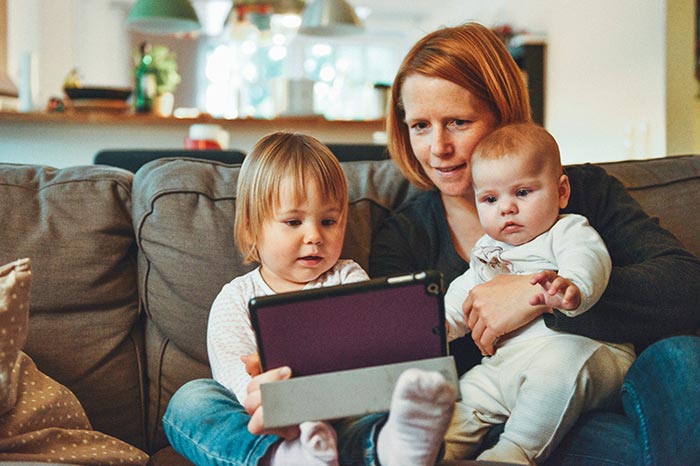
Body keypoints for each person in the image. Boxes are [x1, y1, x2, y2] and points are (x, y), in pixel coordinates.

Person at [370, 21, 700, 465]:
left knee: (682, 356)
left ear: (502, 114)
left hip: (602, 396)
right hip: (493, 418)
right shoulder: (405, 234)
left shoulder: (582, 192)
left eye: (458, 122)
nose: (438, 148)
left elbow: (686, 287)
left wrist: (537, 293)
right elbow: (399, 357)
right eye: (420, 126)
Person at [163, 131, 456, 466]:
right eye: (293, 222)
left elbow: (370, 356)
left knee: (392, 407)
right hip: (269, 425)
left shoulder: (348, 277)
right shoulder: (235, 299)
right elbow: (237, 385)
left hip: (342, 415)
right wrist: (278, 403)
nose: (315, 236)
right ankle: (285, 458)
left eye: (329, 221)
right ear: (250, 229)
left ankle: (393, 448)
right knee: (190, 400)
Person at [442, 122, 635, 464]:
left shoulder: (566, 230)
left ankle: (513, 453)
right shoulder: (488, 249)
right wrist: (440, 324)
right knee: (464, 395)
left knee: (556, 368)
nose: (506, 208)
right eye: (490, 198)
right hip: (505, 365)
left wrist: (573, 286)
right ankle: (432, 451)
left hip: (583, 354)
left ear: (561, 192)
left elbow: (588, 257)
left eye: (523, 193)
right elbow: (466, 291)